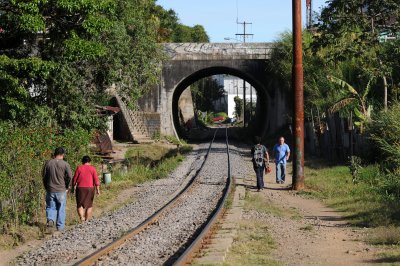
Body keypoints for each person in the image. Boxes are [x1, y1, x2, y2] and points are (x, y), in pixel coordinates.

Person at [43, 147, 73, 232]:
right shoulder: (65, 164)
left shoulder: (48, 163)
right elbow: (70, 176)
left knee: (50, 207)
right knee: (61, 208)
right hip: (61, 190)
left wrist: (46, 186)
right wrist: (67, 186)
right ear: (62, 154)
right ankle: (60, 227)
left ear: (54, 154)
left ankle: (51, 219)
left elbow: (44, 176)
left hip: (50, 189)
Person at [72, 156, 100, 222]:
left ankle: (82, 217)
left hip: (80, 188)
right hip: (90, 189)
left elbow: (74, 179)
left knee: (80, 204)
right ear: (90, 162)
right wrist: (98, 190)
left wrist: (73, 187)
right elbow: (96, 180)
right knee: (89, 205)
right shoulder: (92, 168)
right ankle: (87, 220)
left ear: (82, 161)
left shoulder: (79, 168)